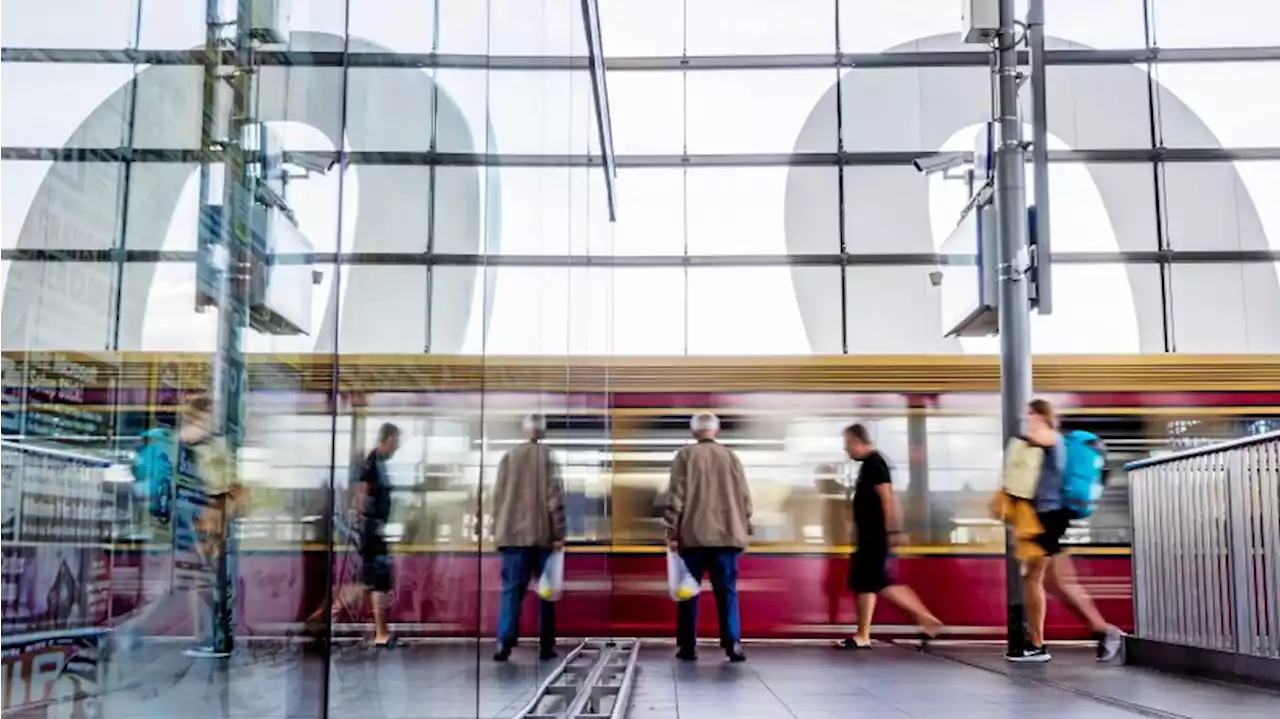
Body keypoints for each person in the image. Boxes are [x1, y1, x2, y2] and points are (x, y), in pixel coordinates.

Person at [1007, 399, 1123, 663]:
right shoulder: (1051, 439)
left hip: (1049, 517)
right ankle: (1103, 631)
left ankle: (1036, 645)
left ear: (1040, 415)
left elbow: (1038, 438)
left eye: (1030, 414)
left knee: (1032, 578)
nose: (1027, 418)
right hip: (1048, 516)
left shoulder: (1050, 437)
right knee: (1056, 581)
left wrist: (1027, 430)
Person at [837, 424, 942, 649]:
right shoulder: (870, 464)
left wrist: (893, 530)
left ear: (857, 440)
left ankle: (867, 634)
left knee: (875, 583)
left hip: (875, 537)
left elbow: (888, 498)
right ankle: (922, 619)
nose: (846, 450)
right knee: (874, 583)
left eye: (847, 444)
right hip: (870, 536)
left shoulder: (875, 464)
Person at [664, 412, 752, 663]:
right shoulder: (731, 457)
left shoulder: (685, 456)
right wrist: (744, 530)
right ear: (717, 431)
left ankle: (688, 646)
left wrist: (671, 531)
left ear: (694, 432)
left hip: (693, 537)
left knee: (688, 592)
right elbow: (745, 499)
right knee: (727, 592)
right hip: (727, 538)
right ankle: (732, 643)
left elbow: (676, 496)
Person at [492, 414, 565, 662]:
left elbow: (498, 498)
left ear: (525, 431)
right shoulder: (548, 457)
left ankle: (505, 641)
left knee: (511, 590)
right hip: (543, 536)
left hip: (511, 536)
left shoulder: (508, 457)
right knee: (546, 591)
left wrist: (497, 532)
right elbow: (554, 498)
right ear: (542, 432)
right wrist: (558, 533)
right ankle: (546, 646)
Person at [176, 393, 243, 658]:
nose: (213, 416)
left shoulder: (197, 439)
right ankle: (207, 634)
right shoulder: (202, 439)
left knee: (203, 575)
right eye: (210, 411)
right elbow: (220, 482)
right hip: (207, 510)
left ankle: (206, 634)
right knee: (206, 574)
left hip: (206, 511)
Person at [351, 422, 401, 648]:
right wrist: (364, 523)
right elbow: (360, 495)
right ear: (388, 439)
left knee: (371, 581)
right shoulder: (371, 463)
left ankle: (382, 632)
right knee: (377, 581)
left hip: (375, 529)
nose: (397, 447)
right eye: (397, 442)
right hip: (372, 530)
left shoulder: (378, 463)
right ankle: (381, 634)